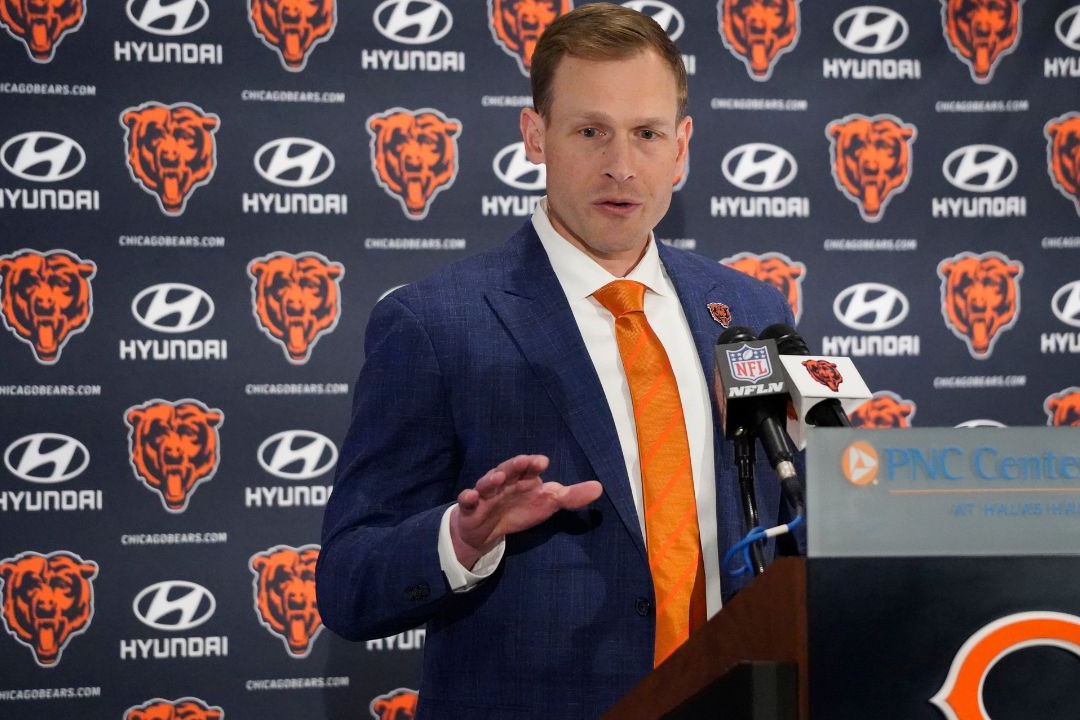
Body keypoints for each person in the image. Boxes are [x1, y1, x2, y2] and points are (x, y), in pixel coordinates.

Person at [317, 5, 793, 717]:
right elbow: (348, 583)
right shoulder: (435, 324)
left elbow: (802, 528)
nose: (621, 165)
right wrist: (461, 539)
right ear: (535, 136)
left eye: (647, 133)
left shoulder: (750, 310)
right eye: (591, 131)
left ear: (682, 147)